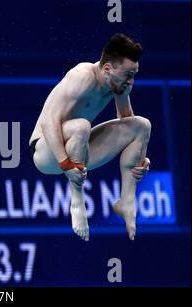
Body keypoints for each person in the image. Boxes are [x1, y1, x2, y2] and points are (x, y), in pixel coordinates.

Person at [30, 33, 151, 241]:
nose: (131, 81)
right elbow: (49, 122)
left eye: (134, 74)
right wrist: (65, 164)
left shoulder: (120, 83)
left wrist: (140, 158)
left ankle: (127, 201)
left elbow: (125, 120)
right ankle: (77, 201)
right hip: (47, 152)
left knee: (141, 125)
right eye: (128, 75)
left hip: (79, 151)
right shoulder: (81, 77)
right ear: (107, 69)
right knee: (81, 126)